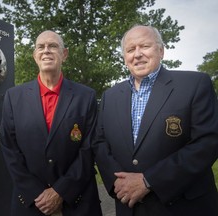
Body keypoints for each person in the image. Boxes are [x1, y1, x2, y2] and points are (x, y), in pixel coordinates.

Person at [92, 24, 218, 216]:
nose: (137, 54)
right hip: (129, 206)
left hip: (183, 207)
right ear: (125, 57)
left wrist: (149, 180)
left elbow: (208, 142)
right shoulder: (110, 96)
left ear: (161, 51)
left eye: (144, 46)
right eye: (130, 49)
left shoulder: (194, 84)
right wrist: (116, 181)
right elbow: (100, 142)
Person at [0, 30, 102, 216]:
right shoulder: (14, 97)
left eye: (53, 46)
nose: (46, 50)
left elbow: (89, 148)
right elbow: (9, 148)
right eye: (41, 47)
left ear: (64, 54)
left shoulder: (86, 97)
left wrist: (60, 191)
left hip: (77, 202)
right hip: (31, 204)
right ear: (35, 56)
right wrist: (35, 192)